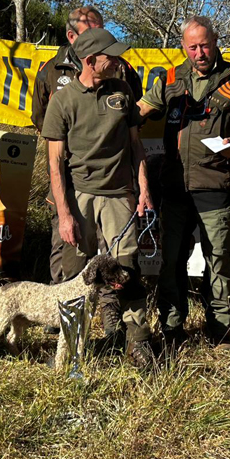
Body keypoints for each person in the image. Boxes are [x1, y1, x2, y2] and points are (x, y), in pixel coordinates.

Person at [138, 16, 230, 351]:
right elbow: (142, 109)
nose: (199, 53)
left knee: (218, 259)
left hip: (215, 184)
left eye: (204, 45)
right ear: (183, 47)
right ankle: (172, 329)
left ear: (215, 41)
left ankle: (221, 329)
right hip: (175, 186)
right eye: (192, 47)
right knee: (171, 260)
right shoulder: (170, 79)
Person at [41, 27, 154, 367]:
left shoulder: (122, 90)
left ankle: (138, 343)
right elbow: (55, 164)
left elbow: (136, 145)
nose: (118, 61)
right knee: (75, 275)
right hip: (80, 197)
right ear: (90, 60)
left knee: (128, 268)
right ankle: (72, 350)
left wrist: (143, 188)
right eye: (111, 56)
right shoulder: (63, 100)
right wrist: (65, 215)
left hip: (119, 195)